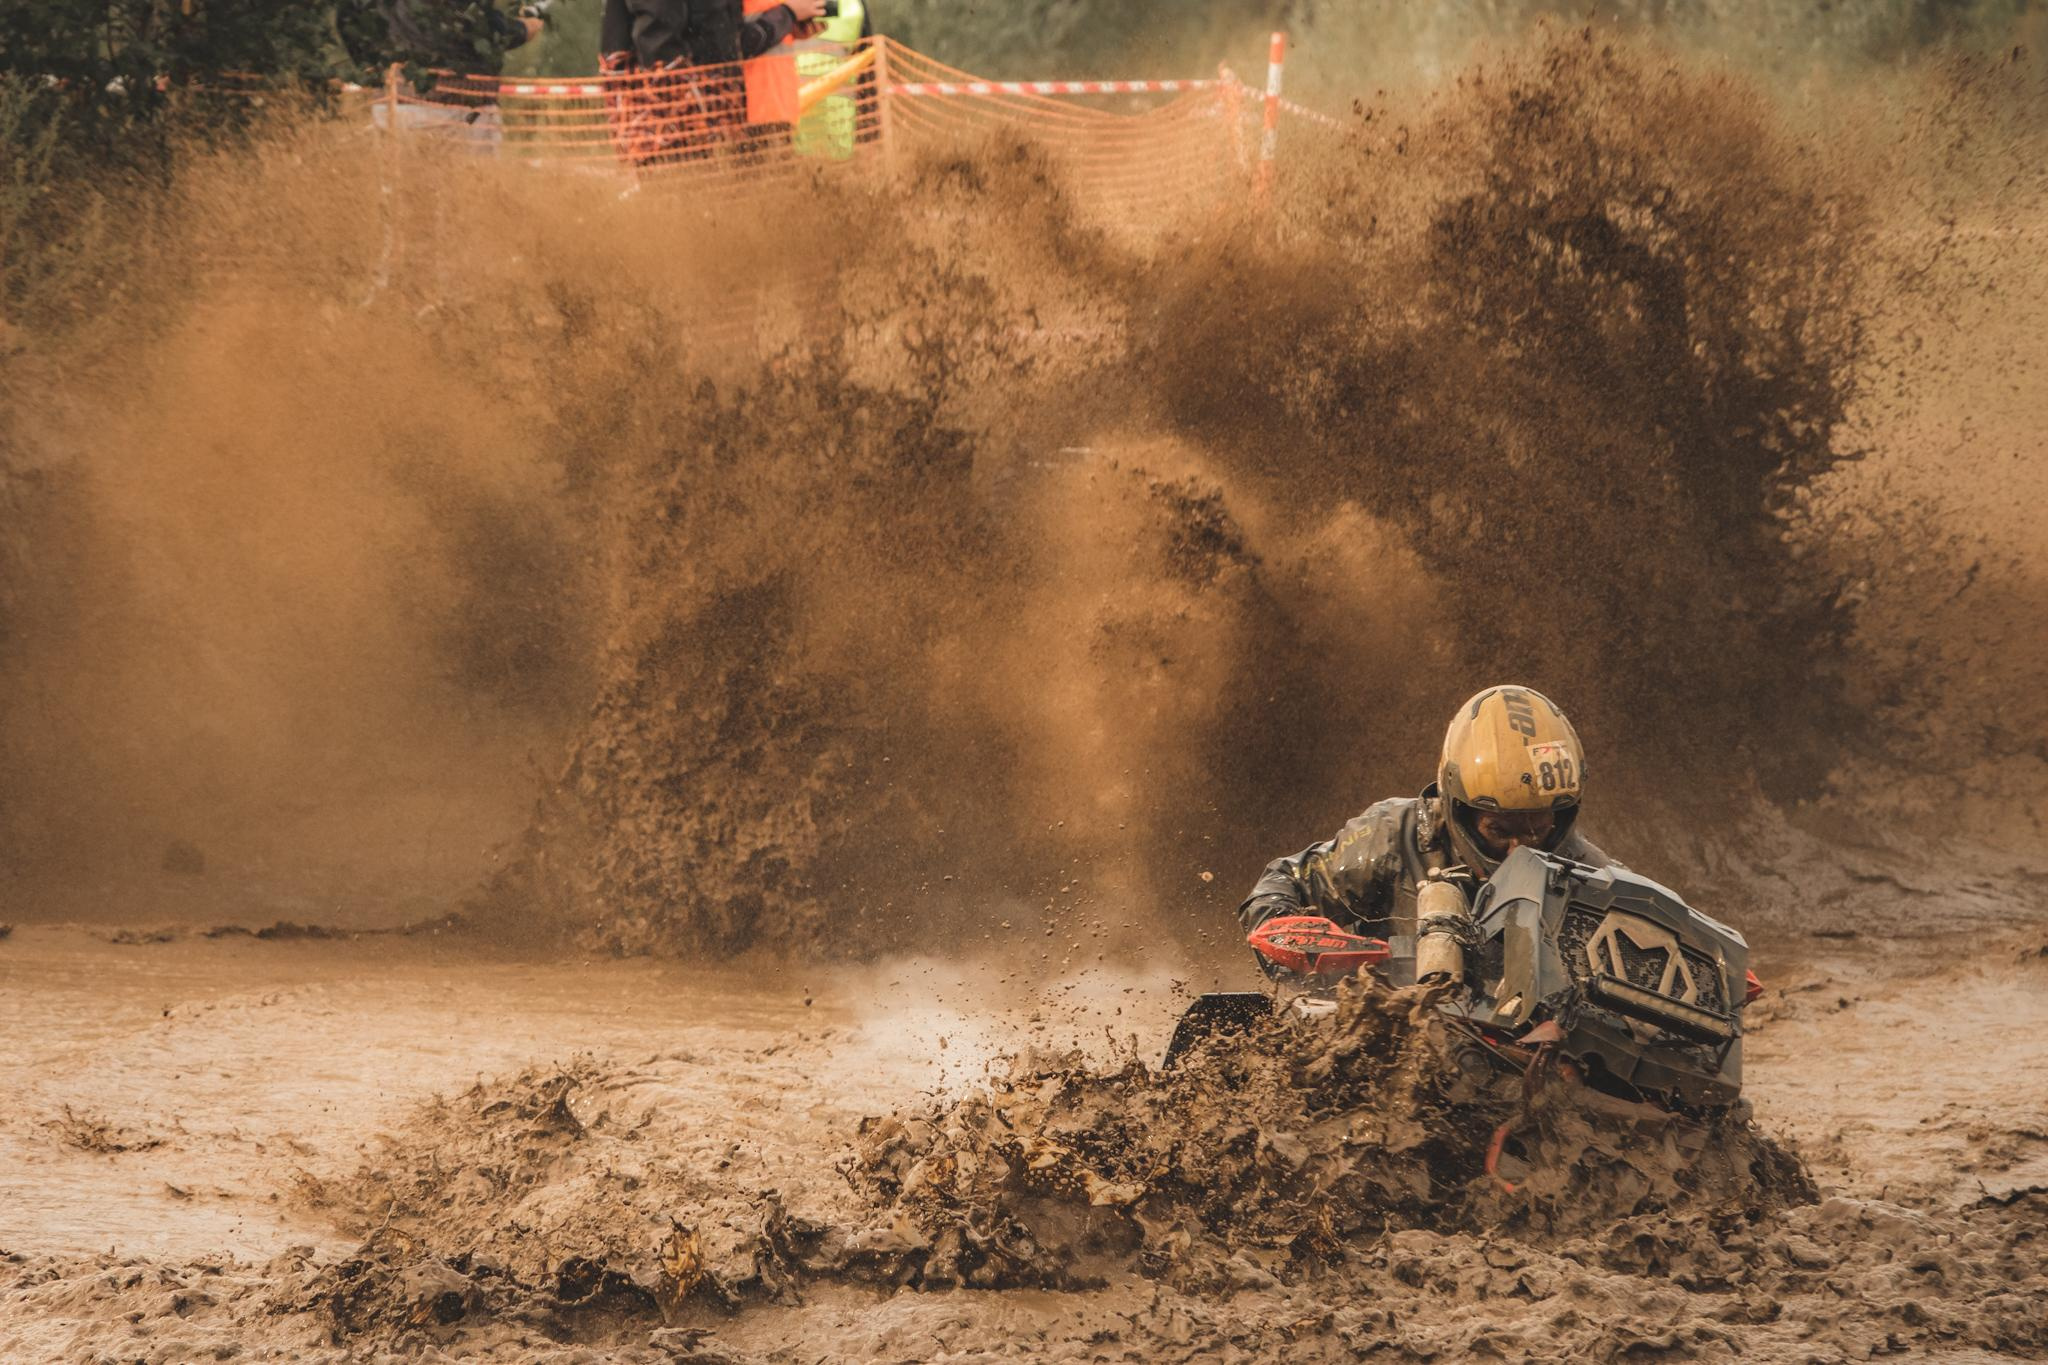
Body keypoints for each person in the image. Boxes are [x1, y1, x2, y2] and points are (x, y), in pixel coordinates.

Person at [1238, 685, 1618, 947]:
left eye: (1536, 830)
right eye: (1499, 830)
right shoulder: (1394, 836)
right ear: (1459, 810)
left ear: (1562, 817)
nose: (1518, 850)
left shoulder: (1595, 878)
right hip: (1388, 1033)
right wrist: (1289, 934)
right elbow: (1286, 880)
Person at [598, 0, 827, 162]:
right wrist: (786, 16)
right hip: (680, 122)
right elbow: (660, 44)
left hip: (726, 111)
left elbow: (723, 35)